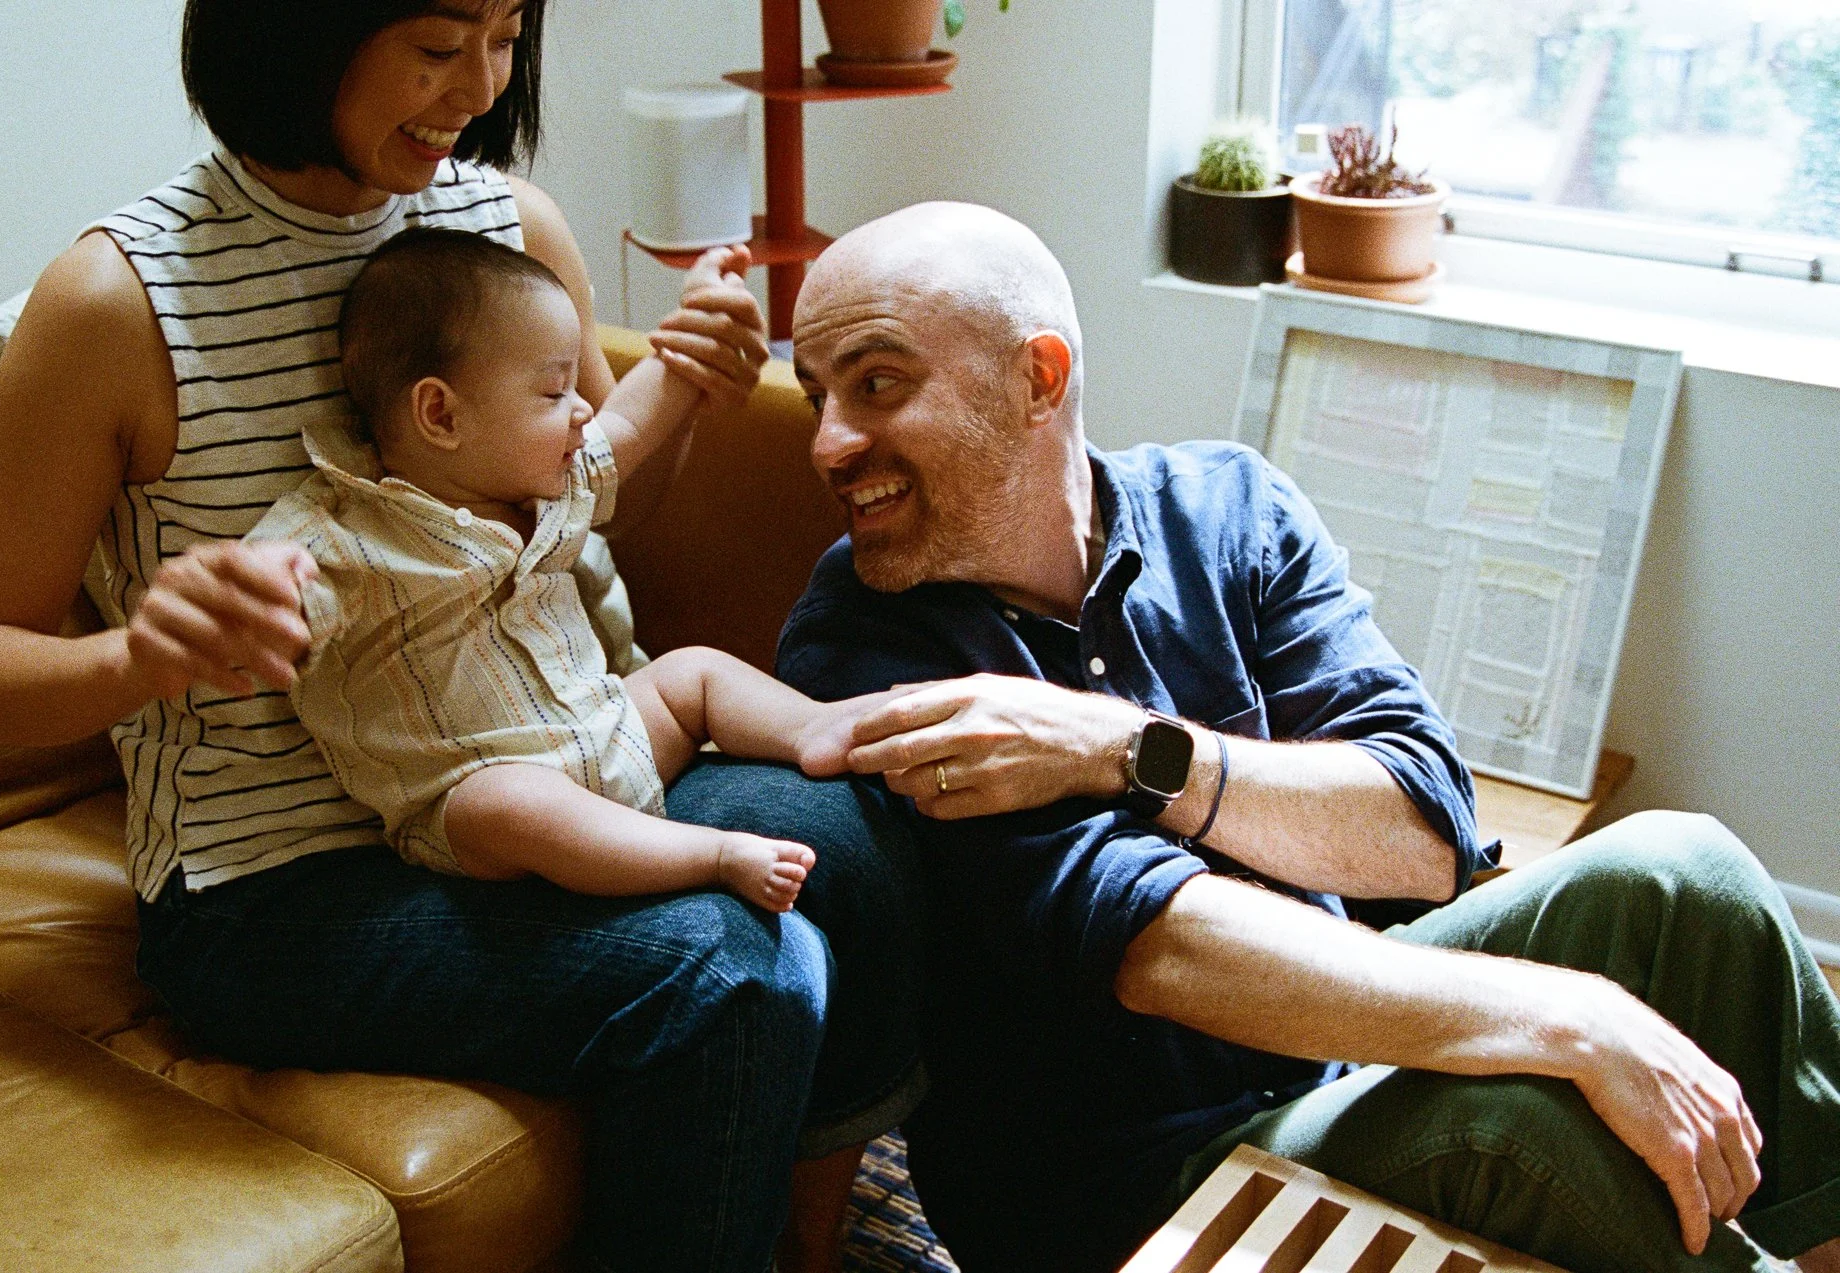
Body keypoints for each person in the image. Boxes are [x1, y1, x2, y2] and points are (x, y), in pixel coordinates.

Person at [0, 4, 922, 1270]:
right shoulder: (121, 301)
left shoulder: (510, 226)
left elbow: (603, 522)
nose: (480, 87)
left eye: (508, 35)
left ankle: (817, 1244)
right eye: (440, 41)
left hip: (543, 757)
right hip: (275, 891)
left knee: (859, 831)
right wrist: (141, 657)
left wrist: (696, 391)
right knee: (731, 967)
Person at [776, 201, 1840, 1273]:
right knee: (1520, 1128)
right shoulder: (860, 649)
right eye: (819, 394)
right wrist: (1566, 1018)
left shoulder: (1228, 508)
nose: (826, 442)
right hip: (1128, 1189)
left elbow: (1425, 828)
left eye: (877, 384)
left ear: (1037, 379)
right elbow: (1158, 950)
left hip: (1323, 1062)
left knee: (1686, 874)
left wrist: (1122, 747)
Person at [260, 227, 892, 911]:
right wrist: (247, 597)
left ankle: (816, 726)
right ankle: (711, 854)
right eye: (555, 391)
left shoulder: (549, 481)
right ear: (440, 413)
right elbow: (251, 586)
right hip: (487, 804)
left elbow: (630, 424)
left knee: (692, 672)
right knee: (508, 802)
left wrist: (699, 314)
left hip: (610, 734)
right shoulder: (345, 537)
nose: (584, 407)